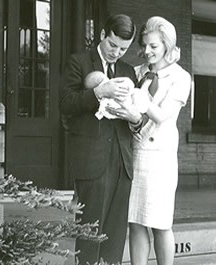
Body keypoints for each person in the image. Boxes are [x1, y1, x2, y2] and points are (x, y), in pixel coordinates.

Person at [60, 14, 143, 264]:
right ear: (102, 35)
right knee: (89, 235)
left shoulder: (128, 71)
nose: (116, 52)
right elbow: (65, 104)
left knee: (115, 237)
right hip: (91, 161)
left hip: (122, 162)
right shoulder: (78, 63)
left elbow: (139, 115)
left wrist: (135, 118)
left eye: (123, 48)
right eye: (112, 45)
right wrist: (98, 92)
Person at [126, 16, 191, 265]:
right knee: (136, 220)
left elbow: (163, 116)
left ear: (167, 44)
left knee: (161, 223)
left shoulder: (180, 77)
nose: (147, 51)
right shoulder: (137, 72)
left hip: (160, 159)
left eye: (154, 46)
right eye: (144, 45)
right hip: (136, 154)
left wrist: (141, 100)